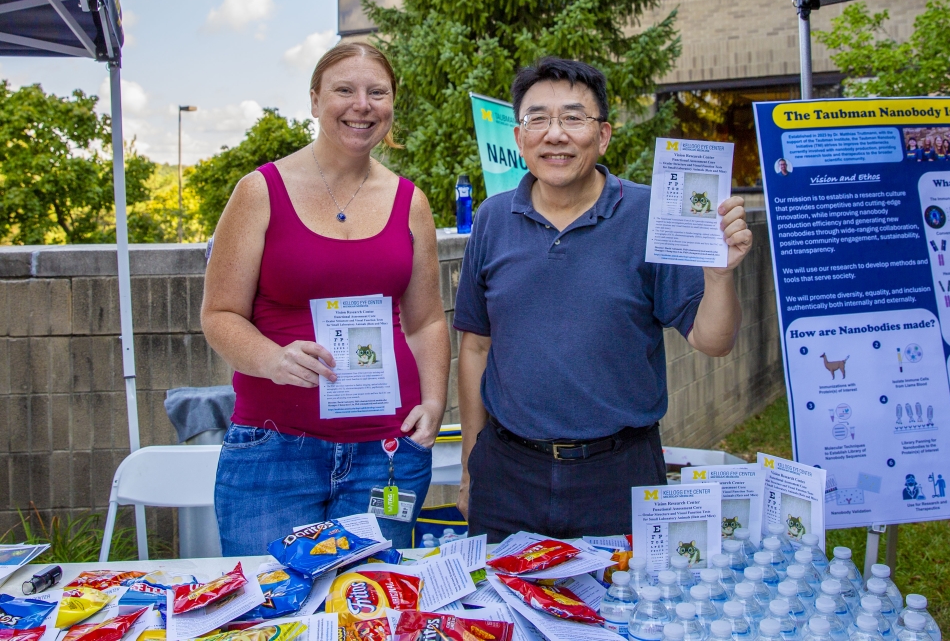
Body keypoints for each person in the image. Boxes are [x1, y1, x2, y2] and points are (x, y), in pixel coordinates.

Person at [453, 57, 754, 539]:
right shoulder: (491, 219)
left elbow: (714, 341)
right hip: (508, 478)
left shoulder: (651, 213)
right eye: (538, 119)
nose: (555, 134)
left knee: (625, 612)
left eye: (573, 118)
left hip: (620, 478)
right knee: (500, 613)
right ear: (518, 136)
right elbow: (475, 348)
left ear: (604, 135)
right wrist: (471, 468)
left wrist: (719, 276)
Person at [202, 42, 451, 554]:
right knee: (273, 614)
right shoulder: (259, 191)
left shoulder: (411, 202)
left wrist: (433, 401)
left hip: (386, 454)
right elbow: (219, 315)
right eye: (344, 90)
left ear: (391, 105)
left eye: (377, 92)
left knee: (371, 613)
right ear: (315, 100)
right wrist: (270, 358)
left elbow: (425, 321)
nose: (362, 104)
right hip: (275, 452)